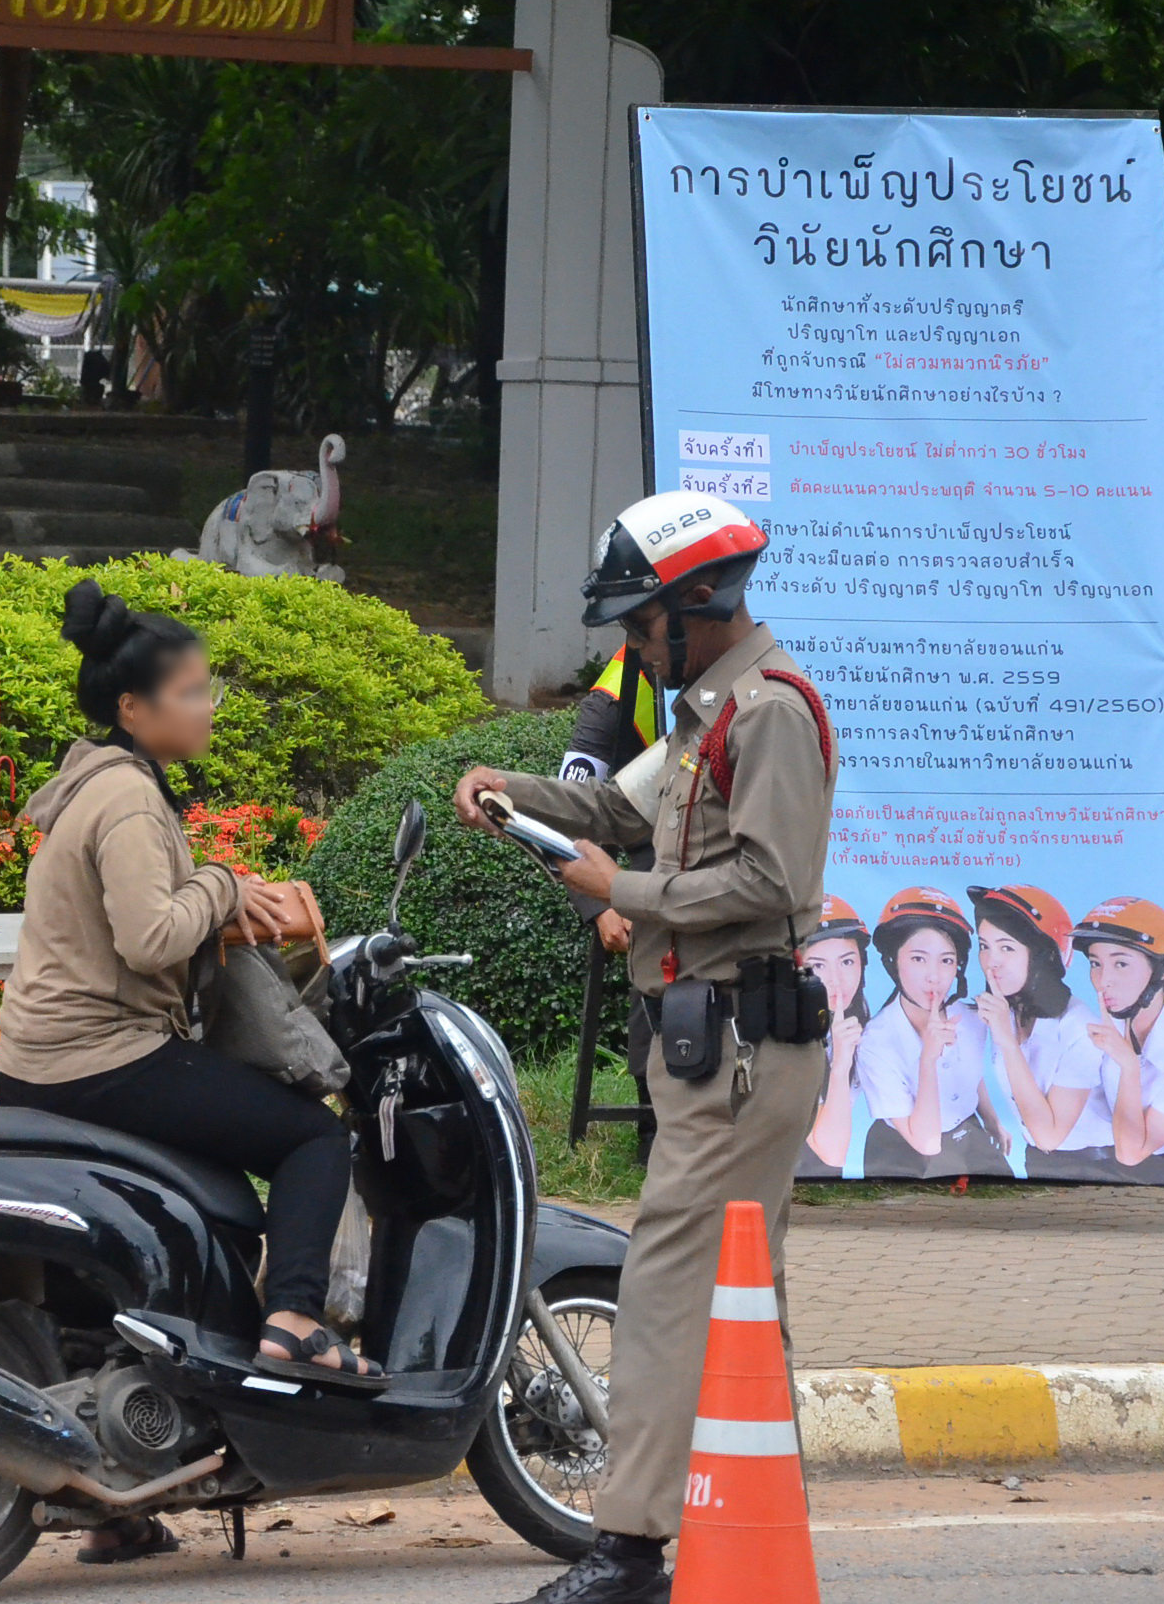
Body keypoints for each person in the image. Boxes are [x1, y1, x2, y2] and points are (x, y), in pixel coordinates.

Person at [451, 492, 834, 1604]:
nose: (629, 644)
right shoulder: (704, 712)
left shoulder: (766, 712)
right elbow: (618, 811)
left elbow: (773, 880)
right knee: (731, 1297)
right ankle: (742, 1517)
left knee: (668, 1287)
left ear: (696, 604)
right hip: (706, 1045)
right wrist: (511, 795)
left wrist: (617, 893)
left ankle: (627, 1550)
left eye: (639, 621)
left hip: (741, 1047)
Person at [0, 584, 365, 1377]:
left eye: (208, 690)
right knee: (313, 1138)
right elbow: (149, 935)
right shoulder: (128, 797)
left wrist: (220, 894)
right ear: (133, 707)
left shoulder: (103, 777)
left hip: (52, 1059)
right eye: (191, 693)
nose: (207, 708)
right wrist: (226, 885)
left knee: (226, 1180)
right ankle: (295, 1319)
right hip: (96, 1059)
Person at [561, 645, 663, 1163]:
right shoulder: (615, 696)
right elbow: (569, 809)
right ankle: (654, 1128)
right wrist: (598, 904)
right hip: (651, 858)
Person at [854, 887, 1011, 1179]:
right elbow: (926, 1143)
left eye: (946, 960)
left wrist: (991, 1120)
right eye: (918, 958)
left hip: (967, 1132)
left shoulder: (970, 1017)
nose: (934, 976)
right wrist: (928, 1059)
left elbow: (972, 1072)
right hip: (903, 1149)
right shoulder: (876, 1041)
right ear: (892, 961)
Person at [1073, 898, 1164, 1186]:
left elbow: (1130, 1152)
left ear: (1163, 971)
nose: (1103, 980)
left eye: (1121, 963)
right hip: (1108, 1161)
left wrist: (1128, 1065)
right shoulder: (1112, 1021)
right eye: (1095, 963)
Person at [969, 884, 1111, 1178]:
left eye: (1006, 947)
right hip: (1038, 1163)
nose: (990, 961)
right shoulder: (1008, 1010)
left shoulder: (1077, 1028)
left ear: (1042, 956)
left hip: (1096, 1170)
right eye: (984, 946)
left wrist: (1006, 1042)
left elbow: (1049, 1135)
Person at [798, 895, 871, 1176]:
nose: (836, 979)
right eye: (817, 966)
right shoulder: (788, 1036)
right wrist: (840, 1066)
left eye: (847, 962)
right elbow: (831, 1153)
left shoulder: (859, 1017)